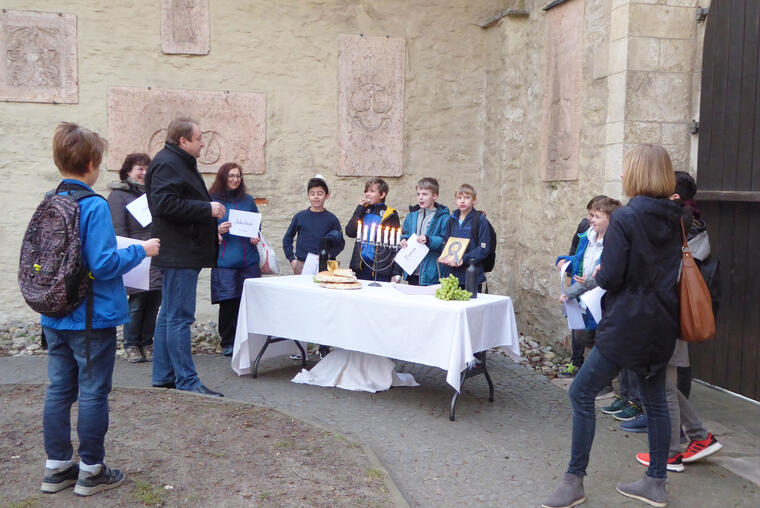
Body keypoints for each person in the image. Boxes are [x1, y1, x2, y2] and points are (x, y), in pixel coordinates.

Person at [542, 144, 682, 508]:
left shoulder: (626, 217)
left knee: (581, 391)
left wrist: (604, 272)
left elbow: (613, 276)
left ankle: (574, 480)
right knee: (654, 398)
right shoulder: (675, 216)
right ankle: (656, 482)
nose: (621, 174)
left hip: (627, 322)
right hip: (662, 320)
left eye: (625, 168)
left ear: (637, 173)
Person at [40, 122, 160, 496]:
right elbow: (103, 264)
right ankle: (91, 470)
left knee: (59, 389)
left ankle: (57, 466)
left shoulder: (50, 200)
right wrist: (141, 250)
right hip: (90, 316)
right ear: (92, 163)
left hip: (54, 312)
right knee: (92, 392)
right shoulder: (93, 205)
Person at [146, 117, 226, 397]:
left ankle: (163, 376)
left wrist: (207, 228)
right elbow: (165, 204)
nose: (203, 143)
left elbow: (174, 203)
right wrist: (208, 210)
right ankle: (186, 380)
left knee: (168, 314)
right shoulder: (169, 163)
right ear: (183, 141)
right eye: (199, 138)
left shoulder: (175, 161)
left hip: (181, 250)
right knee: (179, 317)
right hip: (180, 253)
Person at [555, 197, 622, 376]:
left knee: (602, 342)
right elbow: (580, 260)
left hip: (602, 301)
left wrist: (589, 283)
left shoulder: (613, 243)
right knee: (581, 335)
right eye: (590, 214)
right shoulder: (587, 236)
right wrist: (565, 262)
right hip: (583, 295)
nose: (590, 219)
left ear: (611, 220)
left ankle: (604, 381)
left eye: (596, 216)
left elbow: (608, 273)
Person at [107, 153, 163, 363]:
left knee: (154, 300)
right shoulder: (118, 196)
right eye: (139, 168)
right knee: (137, 301)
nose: (144, 173)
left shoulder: (153, 194)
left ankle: (147, 342)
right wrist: (130, 252)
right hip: (135, 254)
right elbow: (118, 230)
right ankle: (131, 344)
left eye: (147, 169)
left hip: (156, 253)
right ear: (128, 171)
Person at [208, 163, 261, 357]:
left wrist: (256, 235)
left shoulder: (247, 200)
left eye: (238, 176)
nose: (235, 179)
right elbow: (202, 227)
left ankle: (245, 340)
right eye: (231, 176)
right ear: (223, 177)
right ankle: (228, 341)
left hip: (248, 259)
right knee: (228, 302)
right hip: (225, 261)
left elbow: (257, 224)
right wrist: (217, 230)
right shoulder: (212, 200)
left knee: (246, 302)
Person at [392, 177, 450, 286]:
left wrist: (429, 240)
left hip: (432, 273)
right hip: (412, 270)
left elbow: (446, 242)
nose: (420, 198)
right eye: (418, 194)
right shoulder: (411, 216)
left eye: (424, 194)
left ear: (434, 196)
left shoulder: (444, 218)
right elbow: (405, 234)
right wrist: (404, 240)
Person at [282, 175, 345, 275]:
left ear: (327, 196)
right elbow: (287, 239)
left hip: (325, 265)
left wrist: (329, 255)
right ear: (308, 195)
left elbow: (340, 243)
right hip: (302, 264)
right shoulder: (300, 217)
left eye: (320, 194)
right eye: (312, 194)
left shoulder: (332, 219)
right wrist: (292, 260)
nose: (316, 197)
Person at [345, 178, 400, 282]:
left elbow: (395, 245)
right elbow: (350, 232)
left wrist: (396, 272)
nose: (367, 194)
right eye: (366, 191)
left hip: (381, 269)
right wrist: (359, 209)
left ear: (382, 195)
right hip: (362, 266)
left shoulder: (390, 214)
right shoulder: (362, 210)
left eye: (372, 191)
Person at [440, 184, 492, 292]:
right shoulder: (452, 219)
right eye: (459, 198)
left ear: (474, 200)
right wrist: (445, 256)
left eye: (467, 198)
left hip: (472, 276)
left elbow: (483, 249)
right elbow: (445, 242)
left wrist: (463, 259)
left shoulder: (480, 220)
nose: (462, 201)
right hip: (451, 276)